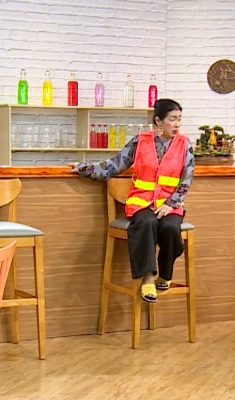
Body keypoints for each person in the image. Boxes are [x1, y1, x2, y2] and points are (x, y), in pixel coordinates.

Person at [69, 99, 194, 303]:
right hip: (142, 202)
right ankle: (148, 277)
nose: (177, 124)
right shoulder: (140, 141)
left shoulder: (184, 144)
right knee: (147, 222)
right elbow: (114, 165)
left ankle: (166, 274)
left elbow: (187, 178)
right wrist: (84, 168)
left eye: (179, 119)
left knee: (171, 228)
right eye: (172, 119)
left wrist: (171, 203)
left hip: (169, 204)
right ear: (158, 121)